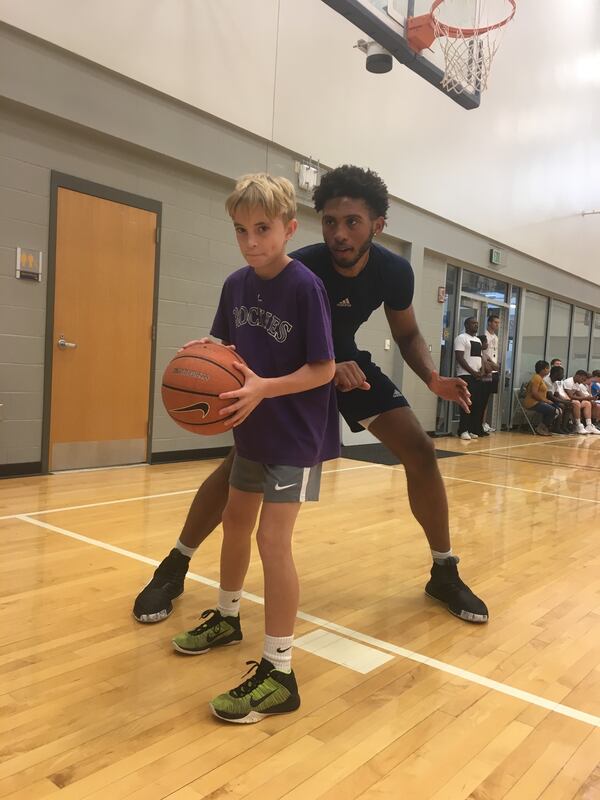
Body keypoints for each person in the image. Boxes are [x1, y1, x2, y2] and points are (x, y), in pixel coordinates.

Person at [133, 165, 488, 628]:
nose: (339, 234)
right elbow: (270, 341)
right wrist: (320, 368)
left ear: (378, 225)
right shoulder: (299, 266)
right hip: (294, 373)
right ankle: (174, 566)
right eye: (331, 222)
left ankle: (444, 570)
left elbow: (407, 333)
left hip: (350, 368)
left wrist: (433, 379)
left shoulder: (395, 271)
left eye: (352, 223)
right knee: (237, 468)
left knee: (420, 450)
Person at [171, 173, 339, 722]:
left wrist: (266, 386)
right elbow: (226, 347)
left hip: (295, 433)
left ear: (289, 228)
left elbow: (324, 368)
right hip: (252, 428)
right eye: (240, 230)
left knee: (273, 540)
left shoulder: (304, 286)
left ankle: (280, 671)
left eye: (262, 229)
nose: (250, 241)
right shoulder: (235, 284)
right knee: (236, 520)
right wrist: (202, 351)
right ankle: (227, 615)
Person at [454, 317, 484, 441]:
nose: (476, 325)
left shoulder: (478, 340)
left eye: (477, 323)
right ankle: (463, 430)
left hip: (477, 376)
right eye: (473, 323)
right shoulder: (461, 338)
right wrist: (472, 372)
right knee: (466, 402)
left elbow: (480, 358)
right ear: (466, 325)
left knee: (476, 403)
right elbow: (460, 358)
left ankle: (471, 429)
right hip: (465, 375)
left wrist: (481, 371)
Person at [523, 360, 557, 436]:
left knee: (552, 408)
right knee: (552, 410)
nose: (549, 370)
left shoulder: (540, 378)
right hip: (532, 402)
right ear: (544, 369)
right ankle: (540, 428)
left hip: (538, 402)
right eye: (548, 368)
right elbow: (534, 393)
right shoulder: (537, 378)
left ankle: (544, 428)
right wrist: (546, 401)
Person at [563, 370, 600, 434]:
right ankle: (578, 425)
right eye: (582, 379)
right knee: (576, 402)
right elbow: (571, 396)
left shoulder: (577, 383)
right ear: (578, 376)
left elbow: (581, 395)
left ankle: (589, 425)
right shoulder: (568, 382)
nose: (583, 381)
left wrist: (590, 399)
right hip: (565, 400)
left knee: (587, 403)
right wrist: (587, 398)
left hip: (573, 400)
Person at [482, 315, 500, 432]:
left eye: (498, 323)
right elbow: (483, 352)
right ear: (489, 323)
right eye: (495, 322)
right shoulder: (484, 335)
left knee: (487, 397)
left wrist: (496, 365)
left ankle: (484, 422)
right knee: (482, 397)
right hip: (485, 368)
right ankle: (480, 422)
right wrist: (489, 363)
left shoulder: (496, 337)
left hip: (493, 370)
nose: (497, 325)